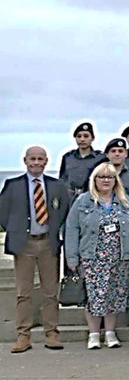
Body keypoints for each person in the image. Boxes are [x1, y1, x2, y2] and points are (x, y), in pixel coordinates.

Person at [65, 163, 129, 350]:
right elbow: (71, 229)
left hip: (119, 256)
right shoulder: (83, 201)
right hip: (92, 257)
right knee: (94, 296)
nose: (106, 181)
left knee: (114, 295)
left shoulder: (125, 201)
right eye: (102, 177)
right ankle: (93, 334)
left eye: (110, 177)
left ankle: (110, 332)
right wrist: (72, 258)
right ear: (95, 180)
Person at [1, 146, 71, 352]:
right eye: (33, 159)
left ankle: (52, 333)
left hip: (48, 244)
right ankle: (23, 335)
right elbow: (3, 213)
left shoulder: (57, 186)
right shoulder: (12, 185)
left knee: (50, 292)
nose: (36, 162)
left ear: (46, 161)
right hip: (24, 245)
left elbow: (64, 211)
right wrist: (17, 231)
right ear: (25, 160)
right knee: (24, 292)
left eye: (40, 159)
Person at [59, 122, 102, 196]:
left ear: (92, 138)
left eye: (86, 136)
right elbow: (62, 179)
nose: (82, 139)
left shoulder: (100, 158)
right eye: (79, 136)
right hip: (70, 197)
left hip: (91, 197)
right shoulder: (68, 157)